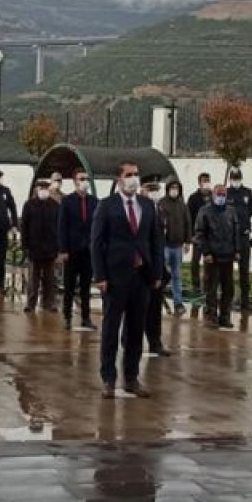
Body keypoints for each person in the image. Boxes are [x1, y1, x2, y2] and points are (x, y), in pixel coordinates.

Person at [91, 161, 162, 399]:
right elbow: (96, 243)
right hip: (115, 277)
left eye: (136, 174)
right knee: (111, 329)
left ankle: (131, 378)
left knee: (135, 329)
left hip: (141, 276)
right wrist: (100, 275)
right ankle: (109, 379)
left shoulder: (147, 205)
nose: (134, 178)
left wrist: (156, 273)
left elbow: (155, 241)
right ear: (119, 179)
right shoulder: (107, 206)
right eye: (129, 174)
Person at [194, 184, 240, 329]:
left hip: (228, 256)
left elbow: (236, 231)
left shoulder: (231, 211)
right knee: (211, 289)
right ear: (213, 195)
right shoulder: (205, 211)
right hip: (212, 257)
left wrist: (237, 250)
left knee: (228, 289)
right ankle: (211, 316)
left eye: (223, 194)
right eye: (218, 194)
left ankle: (225, 317)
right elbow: (200, 233)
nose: (221, 197)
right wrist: (206, 252)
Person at [57, 168, 98, 331]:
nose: (85, 182)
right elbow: (62, 226)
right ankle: (67, 316)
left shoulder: (94, 201)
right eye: (82, 179)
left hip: (88, 251)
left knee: (86, 286)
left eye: (87, 178)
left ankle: (86, 317)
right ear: (75, 181)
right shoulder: (67, 201)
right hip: (72, 250)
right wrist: (63, 249)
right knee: (69, 286)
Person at [141, 178, 173, 358]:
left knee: (155, 308)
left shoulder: (160, 210)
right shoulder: (137, 209)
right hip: (141, 267)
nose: (154, 192)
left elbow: (160, 242)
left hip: (157, 267)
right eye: (150, 188)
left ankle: (155, 342)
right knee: (137, 309)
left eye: (156, 188)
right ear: (142, 190)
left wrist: (160, 270)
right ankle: (130, 342)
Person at [20, 177, 59, 313]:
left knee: (50, 279)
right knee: (33, 279)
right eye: (41, 188)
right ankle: (31, 303)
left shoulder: (55, 205)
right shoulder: (29, 205)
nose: (43, 190)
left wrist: (58, 247)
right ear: (36, 189)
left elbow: (59, 227)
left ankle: (50, 303)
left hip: (50, 248)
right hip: (34, 247)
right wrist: (24, 245)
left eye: (46, 188)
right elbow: (24, 226)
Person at [159, 178, 192, 316]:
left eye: (176, 188)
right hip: (164, 246)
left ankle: (178, 303)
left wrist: (188, 241)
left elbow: (188, 223)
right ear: (167, 189)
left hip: (178, 246)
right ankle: (157, 298)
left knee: (177, 275)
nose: (174, 190)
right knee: (162, 274)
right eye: (172, 187)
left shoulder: (182, 205)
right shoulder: (161, 203)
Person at [226, 167, 252, 310]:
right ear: (230, 179)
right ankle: (229, 299)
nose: (235, 181)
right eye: (233, 179)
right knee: (228, 270)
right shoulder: (226, 193)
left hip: (244, 236)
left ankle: (245, 301)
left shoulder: (247, 193)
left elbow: (250, 211)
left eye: (237, 179)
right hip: (230, 237)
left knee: (244, 270)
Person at [185, 172, 211, 293]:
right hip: (198, 235)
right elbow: (188, 217)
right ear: (199, 183)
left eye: (207, 180)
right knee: (195, 261)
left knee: (208, 261)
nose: (206, 183)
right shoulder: (193, 198)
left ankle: (207, 285)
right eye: (204, 181)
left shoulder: (213, 196)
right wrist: (190, 235)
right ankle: (195, 285)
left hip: (211, 236)